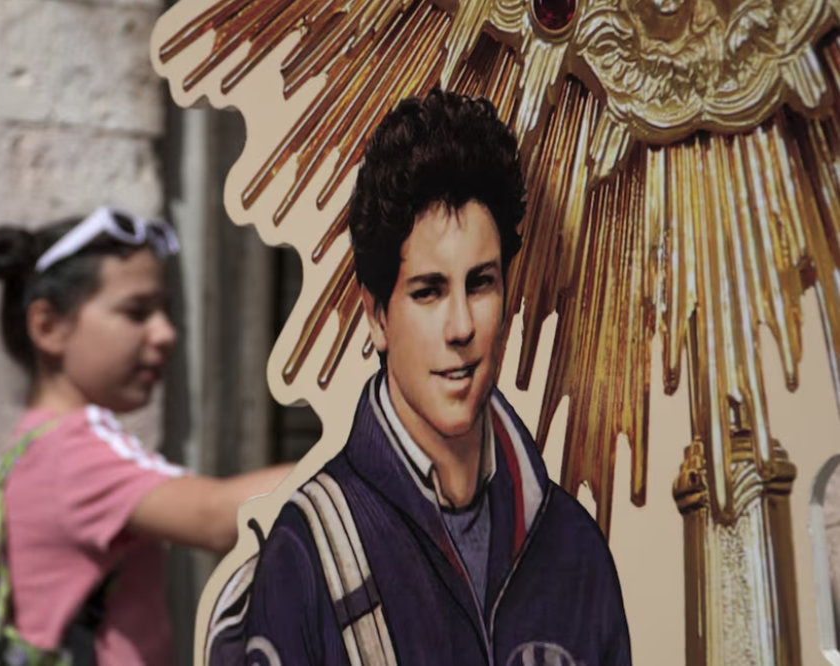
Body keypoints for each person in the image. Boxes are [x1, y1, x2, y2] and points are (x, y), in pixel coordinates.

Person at [235, 90, 631, 666]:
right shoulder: (306, 556)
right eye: (428, 291)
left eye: (480, 284)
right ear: (375, 316)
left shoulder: (574, 548)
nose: (461, 326)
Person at [0, 206, 293, 666]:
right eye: (136, 312)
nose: (165, 333)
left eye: (165, 311)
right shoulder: (76, 449)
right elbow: (217, 515)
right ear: (48, 327)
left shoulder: (34, 443)